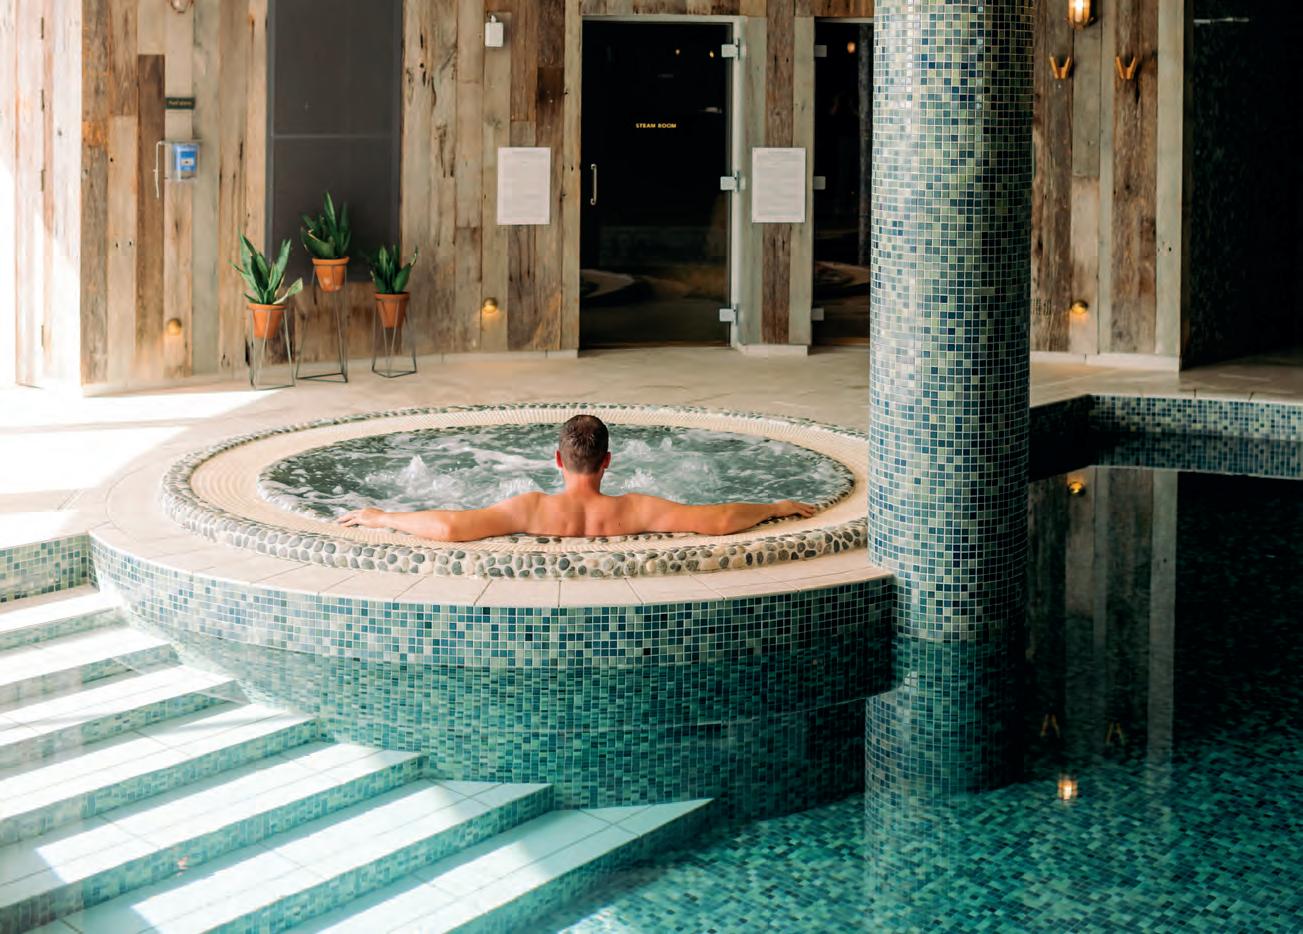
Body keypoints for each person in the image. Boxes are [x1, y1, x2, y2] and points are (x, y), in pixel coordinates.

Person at [337, 414, 814, 542]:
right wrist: (775, 508)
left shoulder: (531, 509)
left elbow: (449, 527)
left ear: (557, 460)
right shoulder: (636, 509)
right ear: (608, 462)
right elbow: (719, 519)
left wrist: (384, 517)